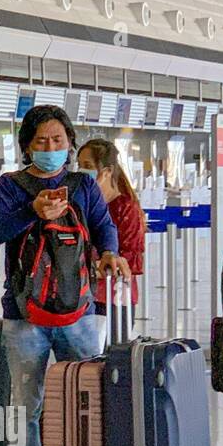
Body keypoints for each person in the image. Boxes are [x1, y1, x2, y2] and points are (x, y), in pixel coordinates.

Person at [0, 105, 128, 446]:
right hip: (24, 314)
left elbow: (104, 227)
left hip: (81, 311)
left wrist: (110, 253)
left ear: (70, 143)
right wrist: (32, 211)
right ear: (27, 146)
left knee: (85, 397)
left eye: (58, 140)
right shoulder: (10, 187)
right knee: (24, 403)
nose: (50, 148)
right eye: (40, 142)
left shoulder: (83, 186)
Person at [77, 138, 146, 327]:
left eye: (88, 166)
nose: (82, 171)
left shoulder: (125, 208)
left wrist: (91, 269)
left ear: (106, 172)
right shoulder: (82, 204)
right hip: (81, 296)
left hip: (113, 297)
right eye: (79, 165)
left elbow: (131, 261)